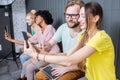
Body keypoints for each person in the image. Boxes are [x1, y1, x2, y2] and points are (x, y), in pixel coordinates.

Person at [24, 1, 116, 80]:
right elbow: (67, 54)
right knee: (40, 76)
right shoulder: (84, 36)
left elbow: (69, 60)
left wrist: (37, 55)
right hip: (89, 76)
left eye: (82, 16)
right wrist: (41, 52)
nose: (79, 19)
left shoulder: (100, 38)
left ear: (95, 18)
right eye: (79, 16)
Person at [33, 0, 85, 80]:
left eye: (74, 15)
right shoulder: (63, 27)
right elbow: (50, 43)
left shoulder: (86, 34)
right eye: (67, 15)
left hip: (78, 67)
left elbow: (85, 64)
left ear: (81, 15)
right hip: (63, 62)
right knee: (38, 76)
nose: (69, 19)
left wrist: (66, 69)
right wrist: (43, 46)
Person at [22, 10, 60, 80]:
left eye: (37, 17)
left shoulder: (50, 28)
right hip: (42, 53)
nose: (35, 19)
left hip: (51, 54)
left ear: (42, 18)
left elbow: (46, 48)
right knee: (25, 65)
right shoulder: (39, 30)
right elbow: (31, 40)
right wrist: (25, 41)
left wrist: (35, 51)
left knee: (29, 68)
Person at [5, 10, 40, 80]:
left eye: (28, 19)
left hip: (39, 48)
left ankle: (24, 76)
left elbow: (35, 41)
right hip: (34, 46)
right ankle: (24, 75)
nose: (26, 21)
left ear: (33, 19)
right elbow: (35, 39)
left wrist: (11, 39)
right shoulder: (32, 27)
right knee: (23, 56)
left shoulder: (37, 28)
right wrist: (29, 35)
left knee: (23, 57)